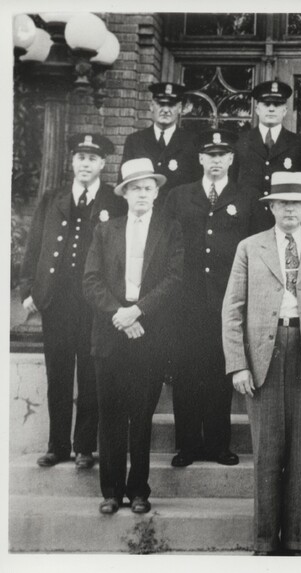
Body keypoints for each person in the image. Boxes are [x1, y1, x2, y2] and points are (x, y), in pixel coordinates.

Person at [221, 171, 301, 556]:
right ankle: (263, 542)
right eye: (283, 203)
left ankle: (294, 540)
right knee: (266, 451)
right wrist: (238, 364)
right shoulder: (250, 247)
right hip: (263, 354)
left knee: (300, 452)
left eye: (297, 203)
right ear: (271, 207)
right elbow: (232, 310)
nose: (290, 209)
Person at [19, 133, 126, 469]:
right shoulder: (53, 198)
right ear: (72, 162)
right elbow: (34, 244)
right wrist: (27, 290)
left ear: (103, 164)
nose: (85, 164)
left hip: (94, 304)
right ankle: (58, 445)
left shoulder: (113, 200)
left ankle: (84, 448)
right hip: (56, 301)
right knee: (59, 373)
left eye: (92, 159)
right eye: (80, 157)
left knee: (92, 374)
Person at [83, 158, 184, 515]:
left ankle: (139, 490)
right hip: (111, 332)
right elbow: (91, 280)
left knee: (141, 415)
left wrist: (138, 311)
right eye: (135, 188)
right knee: (109, 414)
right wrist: (120, 315)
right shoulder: (105, 230)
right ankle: (110, 491)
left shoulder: (170, 228)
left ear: (156, 193)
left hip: (149, 330)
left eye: (148, 188)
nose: (142, 194)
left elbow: (174, 279)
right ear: (124, 193)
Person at [165, 128, 268, 468]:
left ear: (231, 159)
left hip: (228, 302)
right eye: (210, 155)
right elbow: (165, 247)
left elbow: (257, 250)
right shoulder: (179, 196)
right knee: (186, 373)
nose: (216, 161)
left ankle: (218, 445)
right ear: (200, 159)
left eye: (222, 155)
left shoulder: (247, 197)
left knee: (220, 373)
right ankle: (188, 445)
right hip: (185, 302)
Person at [120, 82, 202, 204]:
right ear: (152, 106)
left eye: (171, 105)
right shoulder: (135, 140)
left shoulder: (192, 141)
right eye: (161, 104)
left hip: (178, 217)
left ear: (179, 108)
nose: (165, 110)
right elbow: (123, 184)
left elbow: (198, 186)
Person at [235, 80, 301, 196]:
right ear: (257, 109)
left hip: (283, 212)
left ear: (285, 111)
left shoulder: (299, 143)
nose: (271, 109)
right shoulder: (240, 141)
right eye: (266, 104)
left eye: (277, 104)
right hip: (249, 212)